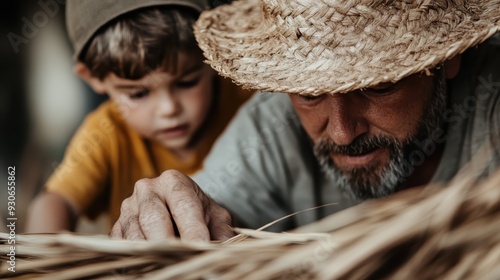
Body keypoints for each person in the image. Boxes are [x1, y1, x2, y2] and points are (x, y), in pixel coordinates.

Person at [110, 0, 500, 241]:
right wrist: (172, 211)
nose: (343, 133)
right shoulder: (272, 127)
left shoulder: (491, 101)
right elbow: (205, 220)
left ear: (448, 58)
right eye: (310, 94)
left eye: (379, 87)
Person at [25, 0, 251, 233]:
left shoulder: (250, 106)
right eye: (138, 93)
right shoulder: (105, 134)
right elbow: (55, 202)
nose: (168, 108)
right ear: (92, 77)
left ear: (216, 57)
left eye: (187, 82)